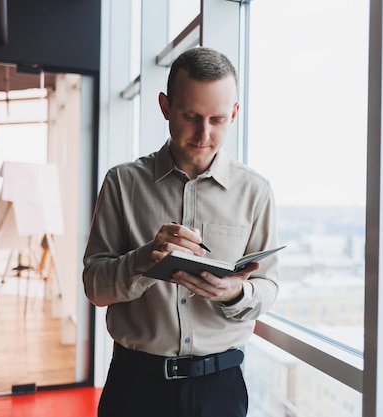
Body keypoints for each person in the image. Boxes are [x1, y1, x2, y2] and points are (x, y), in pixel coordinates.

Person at [83, 47, 280, 417]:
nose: (204, 134)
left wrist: (236, 292)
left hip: (220, 388)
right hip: (135, 385)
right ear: (165, 107)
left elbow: (269, 287)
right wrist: (144, 260)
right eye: (191, 116)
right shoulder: (122, 183)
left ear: (235, 114)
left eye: (218, 119)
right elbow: (94, 287)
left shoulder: (256, 191)